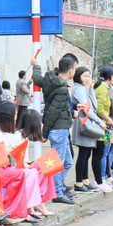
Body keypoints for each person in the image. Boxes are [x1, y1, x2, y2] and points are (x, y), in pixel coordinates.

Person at [34, 54, 76, 204]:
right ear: (71, 71)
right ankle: (56, 192)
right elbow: (53, 112)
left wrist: (36, 66)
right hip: (59, 129)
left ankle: (54, 189)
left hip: (59, 129)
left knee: (66, 162)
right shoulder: (62, 88)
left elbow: (37, 79)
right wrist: (44, 132)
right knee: (58, 163)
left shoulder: (49, 80)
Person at [70, 66, 108, 193]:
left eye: (88, 76)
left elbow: (94, 106)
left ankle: (85, 180)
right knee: (83, 154)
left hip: (87, 123)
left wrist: (91, 90)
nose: (87, 79)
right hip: (83, 123)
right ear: (78, 76)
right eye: (84, 76)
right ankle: (79, 183)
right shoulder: (78, 89)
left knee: (86, 154)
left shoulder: (83, 89)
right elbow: (87, 109)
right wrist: (99, 121)